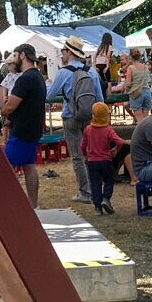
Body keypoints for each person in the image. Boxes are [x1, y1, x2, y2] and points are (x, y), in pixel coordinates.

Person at [46, 35, 103, 205]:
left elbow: (49, 96)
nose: (62, 54)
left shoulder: (63, 73)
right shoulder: (91, 71)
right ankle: (95, 189)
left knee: (77, 155)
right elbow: (99, 97)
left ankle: (85, 192)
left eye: (63, 51)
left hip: (70, 116)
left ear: (68, 52)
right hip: (89, 116)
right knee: (91, 154)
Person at [0, 43, 47, 209]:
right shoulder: (38, 77)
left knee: (3, 169)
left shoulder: (25, 79)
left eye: (15, 56)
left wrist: (3, 107)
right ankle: (33, 205)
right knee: (28, 167)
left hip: (22, 131)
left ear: (22, 56)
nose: (13, 60)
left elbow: (10, 106)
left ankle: (7, 206)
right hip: (33, 130)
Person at [80, 102, 126, 216]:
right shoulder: (108, 130)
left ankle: (97, 207)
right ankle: (106, 198)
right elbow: (120, 142)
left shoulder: (88, 129)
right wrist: (114, 150)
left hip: (92, 161)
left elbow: (82, 146)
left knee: (95, 183)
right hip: (106, 160)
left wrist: (86, 156)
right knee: (109, 180)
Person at [111, 48, 151, 124]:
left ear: (130, 57)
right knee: (145, 119)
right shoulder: (145, 67)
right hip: (147, 92)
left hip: (136, 93)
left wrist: (125, 88)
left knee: (139, 120)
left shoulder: (131, 68)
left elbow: (128, 83)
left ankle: (141, 135)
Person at [0, 53, 21, 143]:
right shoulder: (9, 75)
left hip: (16, 98)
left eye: (9, 64)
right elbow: (4, 86)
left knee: (11, 120)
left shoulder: (20, 75)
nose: (8, 67)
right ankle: (6, 138)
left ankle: (9, 138)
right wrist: (4, 96)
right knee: (8, 120)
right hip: (10, 98)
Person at [94, 32, 114, 98]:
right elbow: (108, 57)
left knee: (101, 80)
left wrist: (94, 65)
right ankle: (109, 95)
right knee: (108, 80)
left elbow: (95, 56)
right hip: (104, 64)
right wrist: (107, 66)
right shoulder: (109, 47)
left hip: (97, 65)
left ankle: (101, 95)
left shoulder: (100, 47)